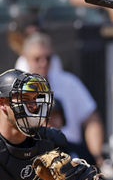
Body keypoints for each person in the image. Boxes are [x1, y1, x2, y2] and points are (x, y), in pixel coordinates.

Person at [17, 32, 105, 168]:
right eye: (37, 58)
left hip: (71, 152)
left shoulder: (69, 83)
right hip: (32, 153)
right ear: (26, 58)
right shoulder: (15, 90)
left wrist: (97, 157)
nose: (44, 63)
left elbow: (92, 118)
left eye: (48, 58)